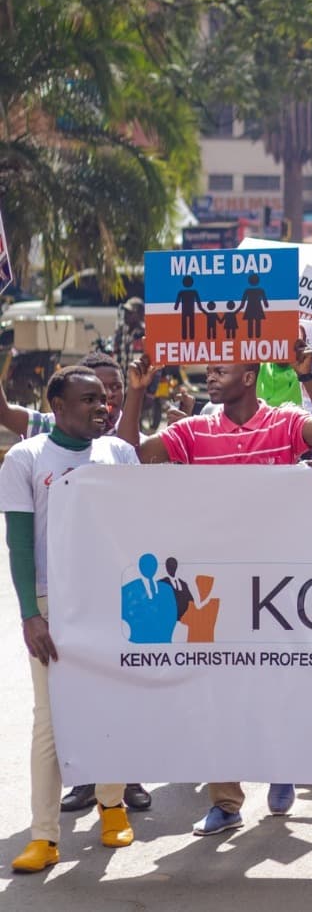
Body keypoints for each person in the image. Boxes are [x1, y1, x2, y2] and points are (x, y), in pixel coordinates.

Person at [120, 342, 312, 834]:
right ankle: (226, 800)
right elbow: (133, 454)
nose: (210, 376)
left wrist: (308, 378)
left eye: (221, 369)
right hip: (214, 586)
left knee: (279, 680)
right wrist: (136, 394)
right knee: (218, 690)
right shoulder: (194, 431)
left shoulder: (284, 422)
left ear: (250, 375)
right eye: (210, 368)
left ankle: (283, 767)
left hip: (277, 583)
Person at [2, 366, 140, 873]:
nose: (101, 408)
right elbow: (18, 542)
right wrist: (30, 615)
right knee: (50, 721)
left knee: (112, 705)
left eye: (104, 400)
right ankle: (44, 836)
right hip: (52, 602)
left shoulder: (119, 453)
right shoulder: (26, 457)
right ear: (56, 406)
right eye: (88, 400)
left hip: (110, 599)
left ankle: (112, 805)